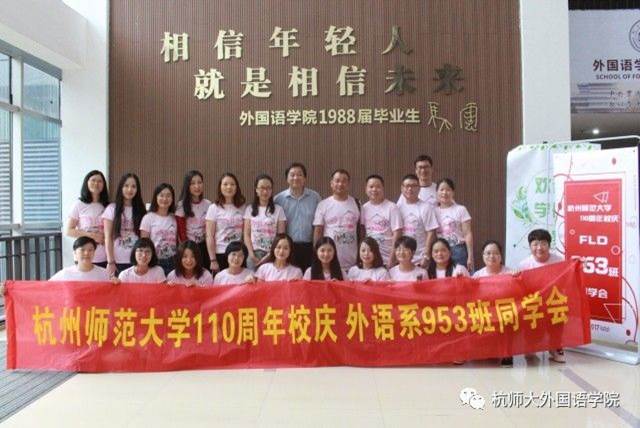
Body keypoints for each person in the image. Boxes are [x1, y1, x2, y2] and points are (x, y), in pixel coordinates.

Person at [518, 228, 566, 363]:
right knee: (529, 352)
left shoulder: (559, 261)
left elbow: (566, 279)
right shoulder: (524, 264)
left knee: (557, 315)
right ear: (530, 246)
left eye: (543, 243)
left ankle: (555, 347)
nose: (539, 248)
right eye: (535, 244)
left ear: (549, 245)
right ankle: (531, 345)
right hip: (534, 302)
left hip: (553, 301)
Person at [274, 162, 321, 272]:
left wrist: (316, 247)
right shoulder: (278, 199)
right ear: (287, 179)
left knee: (308, 277)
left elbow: (319, 225)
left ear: (305, 178)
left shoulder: (315, 197)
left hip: (310, 247)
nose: (296, 178)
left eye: (299, 174)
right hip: (287, 248)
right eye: (292, 175)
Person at [473, 240, 513, 366]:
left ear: (501, 256)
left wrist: (517, 278)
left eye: (495, 253)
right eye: (488, 253)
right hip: (485, 312)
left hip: (504, 312)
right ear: (483, 256)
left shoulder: (510, 273)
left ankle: (507, 353)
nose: (492, 256)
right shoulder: (477, 275)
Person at [313, 169, 360, 271]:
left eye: (344, 181)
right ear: (331, 183)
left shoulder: (357, 204)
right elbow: (318, 231)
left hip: (352, 264)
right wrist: (316, 254)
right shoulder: (323, 205)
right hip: (328, 262)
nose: (340, 184)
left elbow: (362, 231)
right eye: (337, 181)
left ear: (348, 184)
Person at [102, 173, 147, 277]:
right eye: (126, 186)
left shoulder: (141, 210)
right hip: (117, 261)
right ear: (121, 188)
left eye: (133, 186)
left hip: (137, 260)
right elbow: (108, 237)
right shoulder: (111, 209)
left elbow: (144, 239)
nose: (130, 189)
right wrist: (110, 261)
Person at [66, 170, 110, 267]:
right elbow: (69, 231)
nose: (96, 183)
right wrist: (92, 236)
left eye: (100, 181)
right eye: (93, 180)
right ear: (87, 182)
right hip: (84, 255)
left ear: (104, 185)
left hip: (104, 256)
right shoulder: (79, 204)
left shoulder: (107, 206)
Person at [205, 172, 246, 274]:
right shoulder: (213, 208)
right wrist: (213, 260)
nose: (229, 187)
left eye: (232, 184)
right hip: (220, 253)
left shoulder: (243, 207)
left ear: (237, 187)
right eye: (225, 184)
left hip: (238, 254)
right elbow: (209, 236)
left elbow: (245, 233)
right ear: (220, 187)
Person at [244, 174, 286, 270]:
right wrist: (251, 254)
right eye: (262, 188)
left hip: (272, 253)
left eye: (268, 188)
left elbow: (281, 236)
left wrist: (270, 254)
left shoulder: (278, 210)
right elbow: (246, 234)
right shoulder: (249, 209)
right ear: (256, 190)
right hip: (254, 254)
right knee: (253, 279)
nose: (265, 191)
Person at [360, 174, 403, 267]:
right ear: (366, 189)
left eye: (378, 187)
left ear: (383, 188)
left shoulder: (392, 207)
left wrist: (392, 259)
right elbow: (362, 233)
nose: (374, 189)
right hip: (369, 259)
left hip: (387, 259)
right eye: (371, 187)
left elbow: (397, 234)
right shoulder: (364, 208)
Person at [396, 174, 438, 267]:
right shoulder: (397, 208)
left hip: (420, 258)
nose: (410, 189)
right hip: (402, 258)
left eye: (413, 186)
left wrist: (426, 255)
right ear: (402, 188)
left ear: (419, 188)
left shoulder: (426, 207)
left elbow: (431, 232)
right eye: (407, 186)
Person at [434, 178, 474, 272]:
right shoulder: (433, 212)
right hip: (440, 252)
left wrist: (470, 256)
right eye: (441, 190)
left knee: (461, 277)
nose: (444, 193)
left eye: (448, 190)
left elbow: (467, 234)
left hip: (458, 250)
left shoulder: (461, 209)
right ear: (436, 192)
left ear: (453, 192)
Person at [175, 170, 212, 268]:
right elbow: (181, 233)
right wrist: (188, 249)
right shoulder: (181, 206)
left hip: (205, 247)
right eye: (193, 183)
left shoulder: (208, 204)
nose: (197, 186)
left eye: (199, 182)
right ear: (187, 186)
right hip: (189, 247)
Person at [140, 183, 178, 275]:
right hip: (155, 261)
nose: (165, 199)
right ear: (156, 197)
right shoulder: (148, 218)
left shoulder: (174, 218)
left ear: (172, 199)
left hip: (173, 261)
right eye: (161, 195)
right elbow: (144, 243)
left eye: (168, 196)